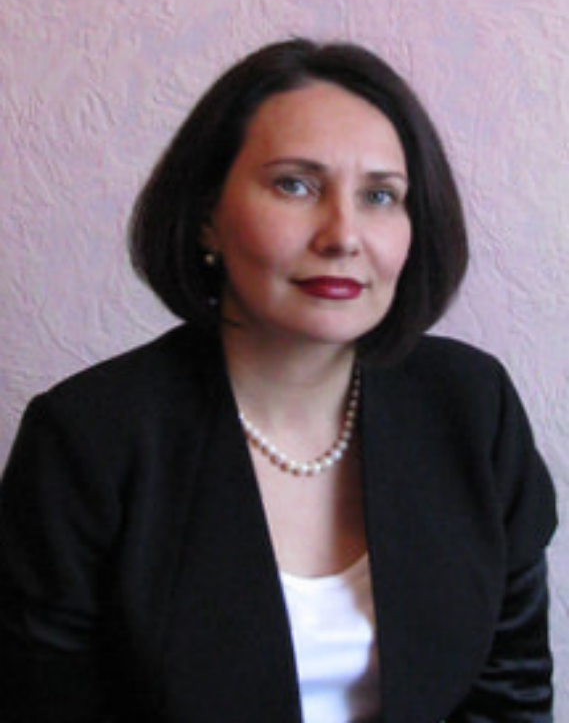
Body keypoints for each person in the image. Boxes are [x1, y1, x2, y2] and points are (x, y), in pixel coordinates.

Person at [0, 38, 557, 723]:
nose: (342, 234)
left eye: (379, 195)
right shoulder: (88, 439)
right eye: (295, 185)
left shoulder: (472, 407)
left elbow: (511, 696)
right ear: (208, 216)